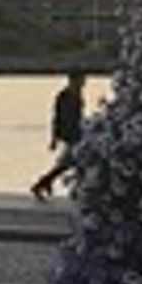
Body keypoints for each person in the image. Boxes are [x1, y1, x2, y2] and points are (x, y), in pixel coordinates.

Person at [30, 69, 89, 202]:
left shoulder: (77, 95)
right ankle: (42, 184)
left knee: (70, 163)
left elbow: (79, 116)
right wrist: (54, 138)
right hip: (69, 134)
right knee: (73, 163)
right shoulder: (64, 96)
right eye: (81, 79)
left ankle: (45, 183)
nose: (84, 82)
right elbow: (57, 118)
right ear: (73, 80)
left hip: (77, 134)